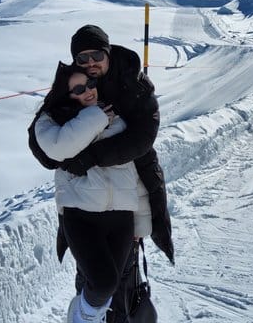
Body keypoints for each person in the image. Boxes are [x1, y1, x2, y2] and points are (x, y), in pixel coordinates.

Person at [29, 25, 174, 322]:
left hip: (125, 201)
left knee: (122, 282)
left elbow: (141, 142)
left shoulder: (133, 85)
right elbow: (43, 141)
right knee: (93, 280)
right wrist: (58, 153)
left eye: (96, 55)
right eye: (82, 58)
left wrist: (88, 158)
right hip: (84, 206)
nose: (90, 63)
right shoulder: (72, 89)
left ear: (108, 53)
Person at [33, 64, 138, 323]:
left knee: (112, 285)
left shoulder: (115, 114)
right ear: (65, 94)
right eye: (79, 89)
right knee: (103, 283)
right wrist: (96, 117)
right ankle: (83, 316)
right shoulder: (52, 121)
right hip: (82, 216)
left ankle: (95, 314)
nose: (88, 91)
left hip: (122, 216)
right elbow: (58, 148)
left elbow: (134, 170)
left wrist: (142, 221)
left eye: (90, 84)